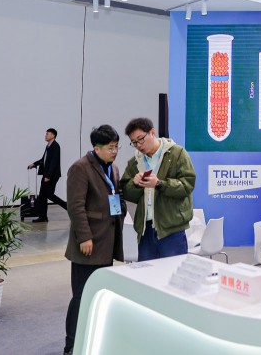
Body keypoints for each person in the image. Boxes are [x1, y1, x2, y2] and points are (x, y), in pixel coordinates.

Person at [63, 125, 125, 355]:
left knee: (100, 295)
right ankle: (71, 346)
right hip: (88, 244)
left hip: (107, 243)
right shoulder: (80, 168)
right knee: (81, 297)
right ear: (96, 148)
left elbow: (116, 196)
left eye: (117, 147)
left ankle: (93, 341)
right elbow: (76, 206)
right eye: (110, 148)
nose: (115, 152)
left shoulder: (113, 168)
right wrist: (85, 236)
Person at [120, 117, 196, 261]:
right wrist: (135, 184)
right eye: (134, 142)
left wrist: (160, 184)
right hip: (145, 229)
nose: (138, 145)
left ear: (152, 132)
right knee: (147, 272)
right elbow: (126, 191)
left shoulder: (177, 154)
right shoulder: (135, 162)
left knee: (172, 271)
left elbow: (187, 185)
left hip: (171, 228)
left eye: (141, 139)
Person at [27, 127, 67, 222]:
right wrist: (34, 164)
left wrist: (48, 176)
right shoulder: (48, 146)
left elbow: (54, 162)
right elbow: (44, 160)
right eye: (46, 134)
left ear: (53, 135)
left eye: (47, 134)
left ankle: (67, 207)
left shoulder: (55, 146)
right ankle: (43, 217)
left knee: (49, 195)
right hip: (46, 174)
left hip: (51, 176)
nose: (45, 135)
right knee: (42, 196)